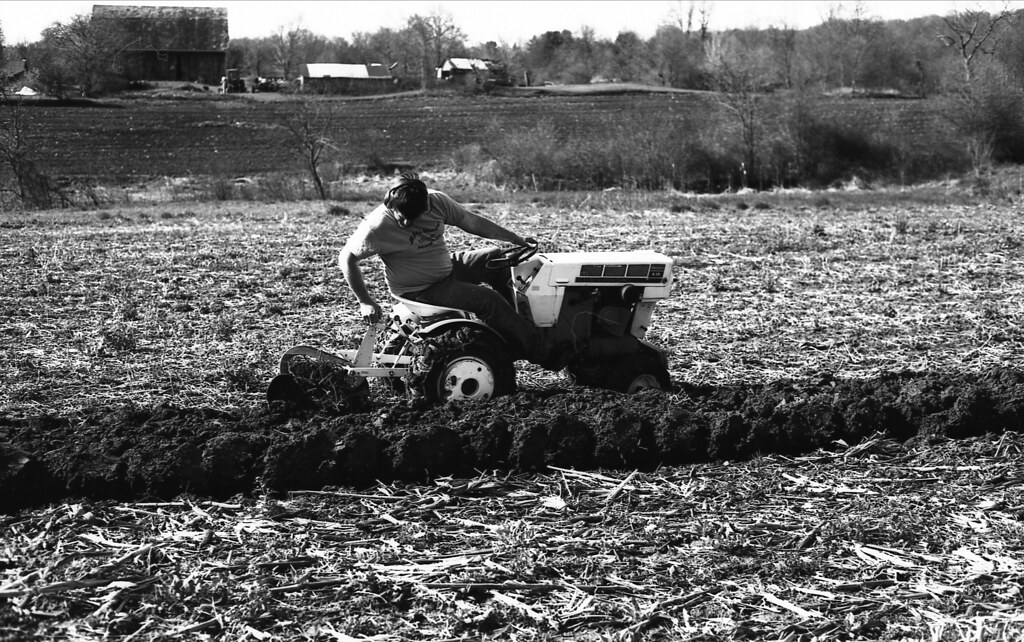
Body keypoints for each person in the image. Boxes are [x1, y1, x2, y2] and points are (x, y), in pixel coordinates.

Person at [339, 173, 559, 368]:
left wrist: (515, 239)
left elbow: (470, 221)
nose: (405, 222)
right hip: (421, 289)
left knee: (497, 257)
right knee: (488, 301)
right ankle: (545, 353)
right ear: (390, 204)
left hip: (447, 267)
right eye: (399, 215)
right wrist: (364, 301)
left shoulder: (437, 202)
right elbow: (347, 257)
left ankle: (516, 329)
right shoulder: (377, 226)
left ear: (426, 207)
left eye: (411, 217)